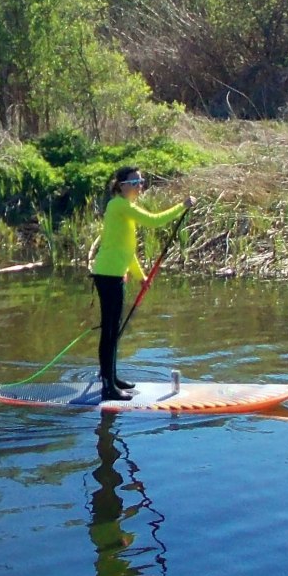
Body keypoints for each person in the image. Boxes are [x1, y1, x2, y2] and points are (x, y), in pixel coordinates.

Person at [90, 166, 193, 402]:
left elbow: (128, 250)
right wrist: (182, 206)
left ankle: (112, 378)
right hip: (107, 275)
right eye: (135, 182)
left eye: (141, 181)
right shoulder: (118, 206)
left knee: (114, 328)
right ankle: (107, 386)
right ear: (121, 185)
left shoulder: (125, 209)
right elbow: (154, 221)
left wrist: (141, 276)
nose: (140, 186)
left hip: (114, 274)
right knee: (109, 331)